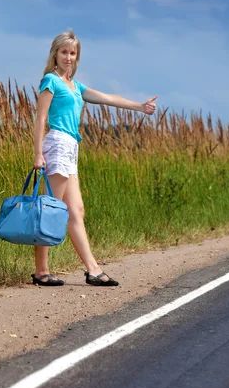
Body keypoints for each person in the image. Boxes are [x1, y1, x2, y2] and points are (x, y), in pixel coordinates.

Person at [32, 29, 157, 287]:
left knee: (76, 209)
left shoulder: (75, 87)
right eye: (64, 52)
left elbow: (107, 98)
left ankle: (93, 270)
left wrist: (139, 107)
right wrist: (37, 154)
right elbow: (41, 118)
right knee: (52, 210)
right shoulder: (50, 81)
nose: (68, 57)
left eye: (73, 53)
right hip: (56, 144)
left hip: (71, 148)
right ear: (55, 54)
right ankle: (41, 271)